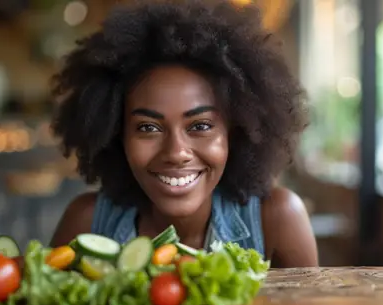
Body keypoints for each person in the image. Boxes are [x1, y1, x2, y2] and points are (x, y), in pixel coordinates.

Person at [49, 0, 318, 268]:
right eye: (148, 128)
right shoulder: (86, 222)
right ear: (116, 135)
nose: (176, 152)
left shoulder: (277, 218)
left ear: (234, 132)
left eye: (200, 126)